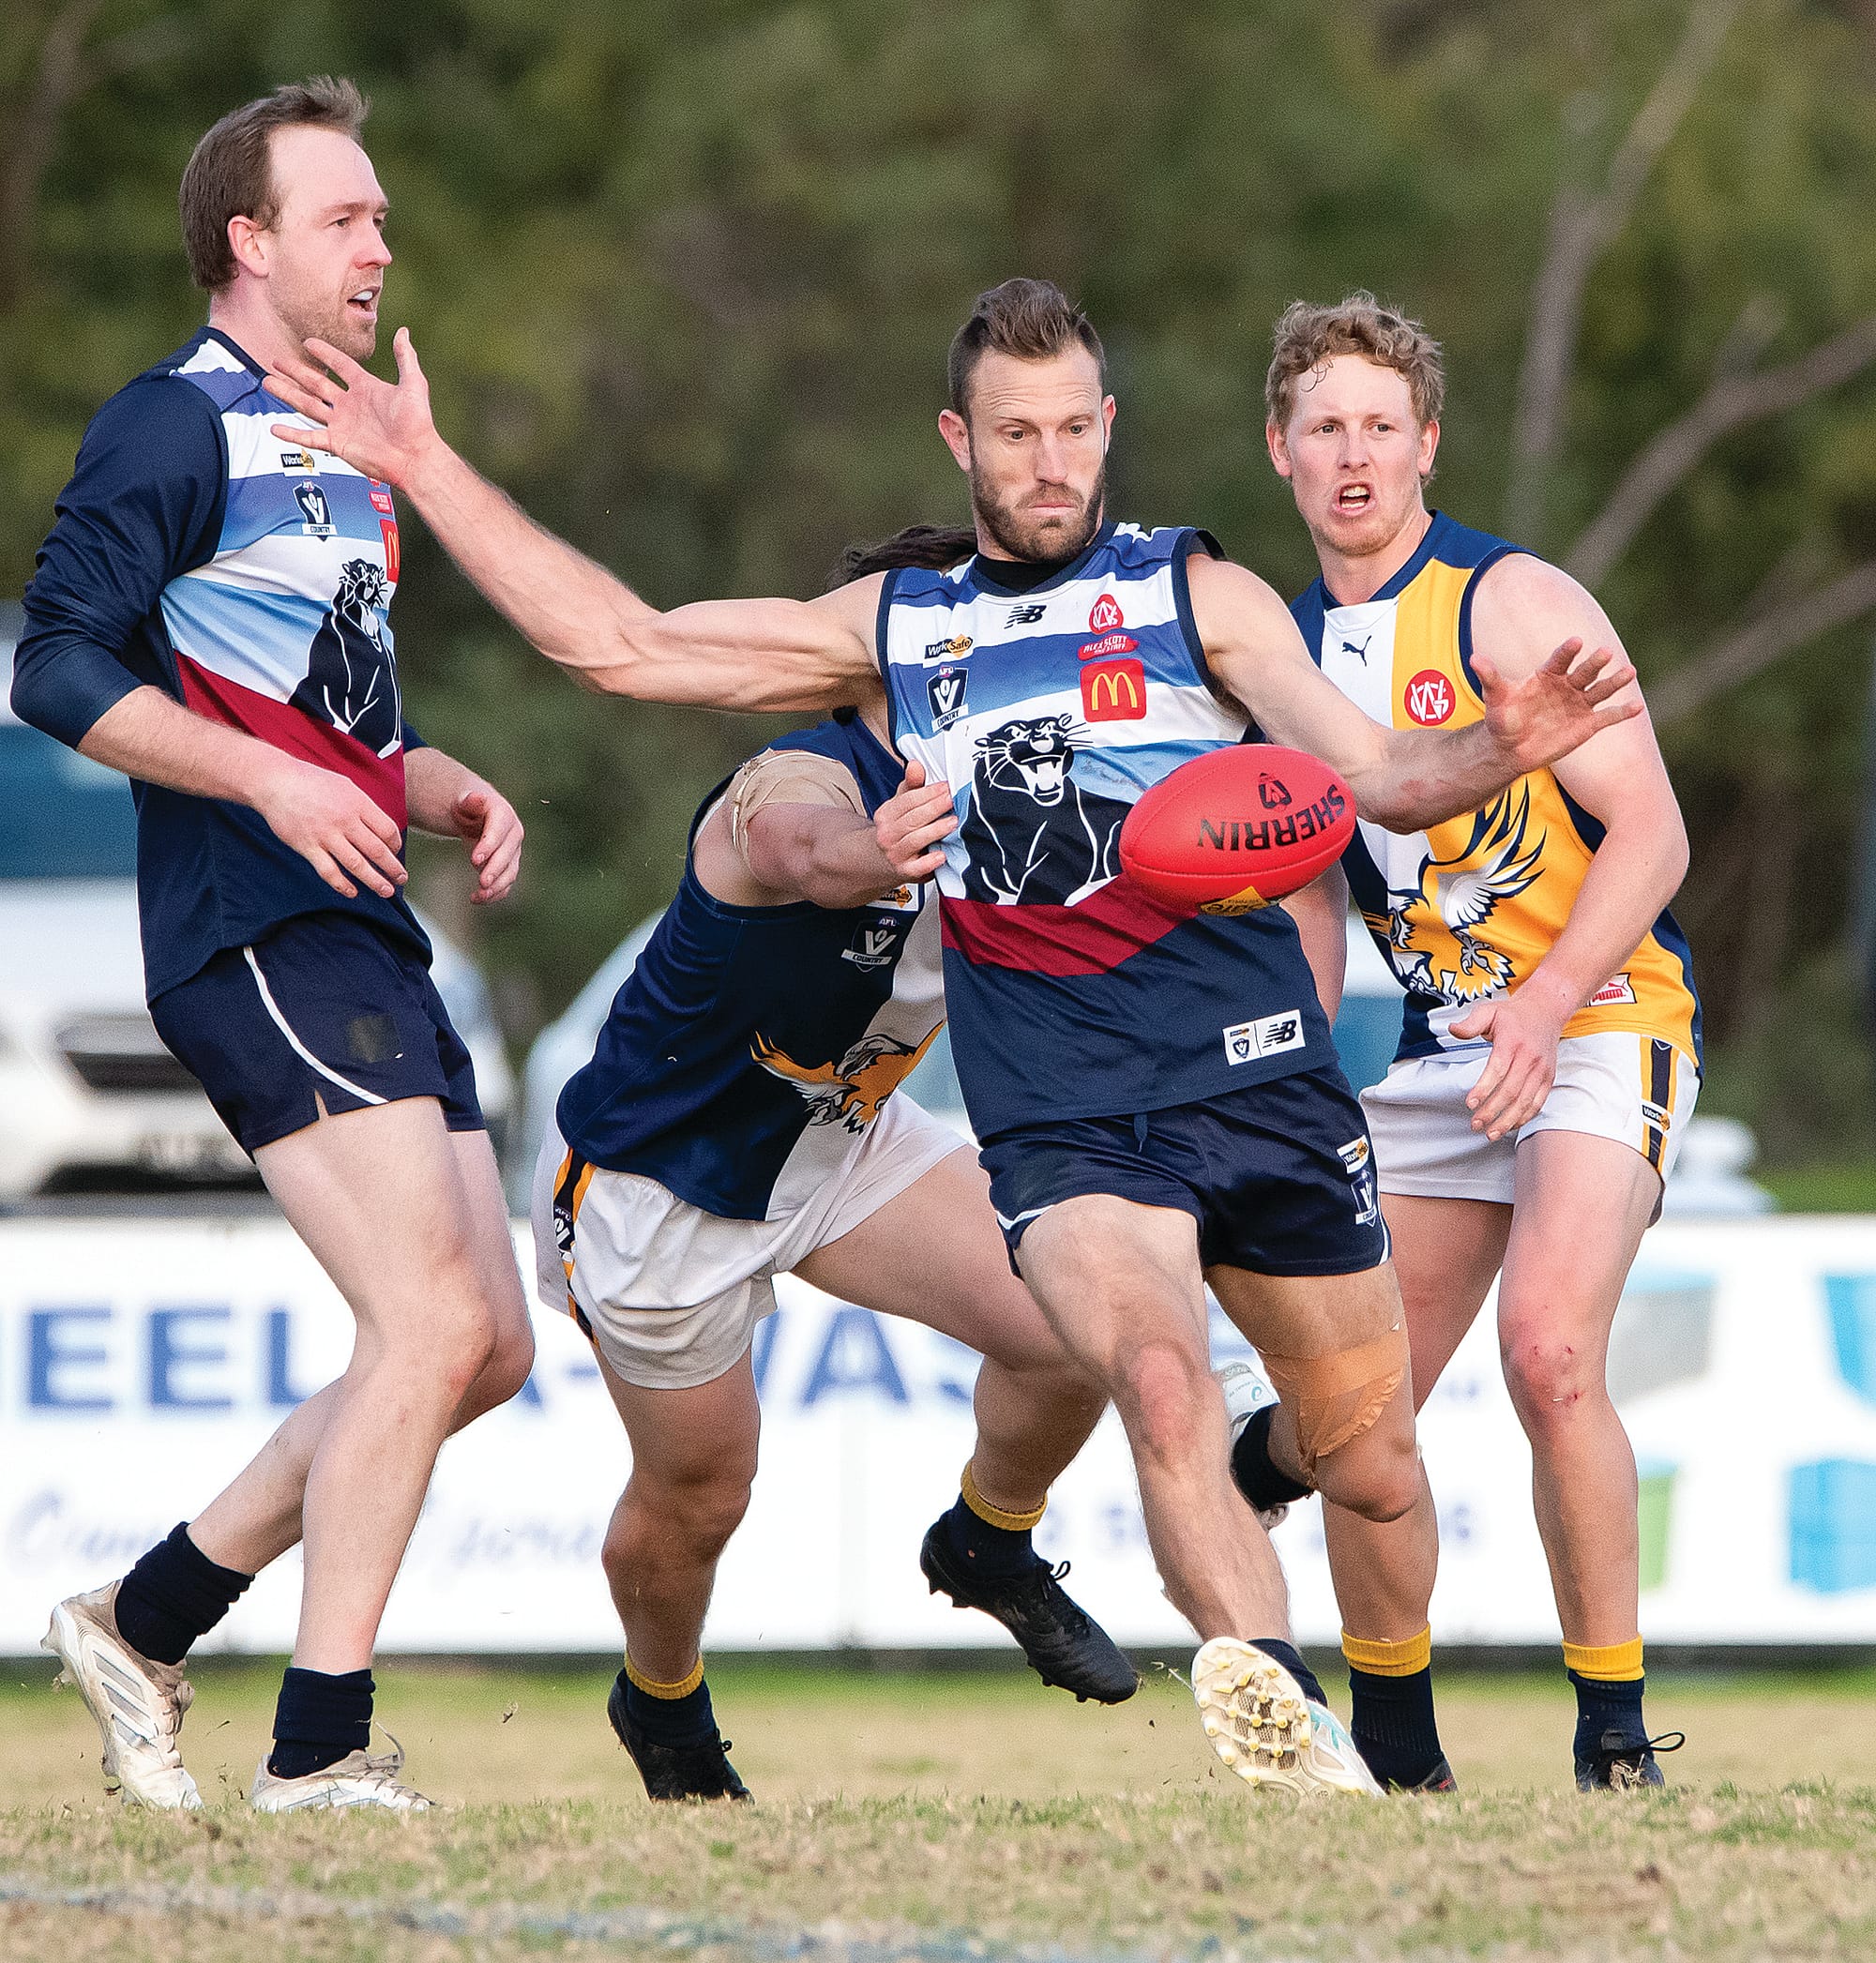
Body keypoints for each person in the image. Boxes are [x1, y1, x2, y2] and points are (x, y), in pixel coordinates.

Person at [264, 277, 1638, 1797]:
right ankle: (1294, 1741)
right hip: (1070, 1113)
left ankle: (1394, 1754)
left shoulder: (1204, 599)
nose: (1048, 463)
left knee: (1368, 1455)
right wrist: (425, 466)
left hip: (1258, 1075)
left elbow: (1377, 774)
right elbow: (628, 645)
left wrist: (1493, 751)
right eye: (1012, 434)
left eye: (1070, 430)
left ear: (1107, 427)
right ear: (957, 443)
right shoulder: (897, 631)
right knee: (1164, 1379)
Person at [11, 79, 533, 1813]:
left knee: (486, 1345)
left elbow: (310, 695)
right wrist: (263, 783)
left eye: (382, 217)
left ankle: (145, 1619)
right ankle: (316, 1750)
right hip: (251, 923)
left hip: (361, 917)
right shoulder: (173, 422)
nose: (383, 246)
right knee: (430, 1310)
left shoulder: (346, 435)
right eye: (345, 218)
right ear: (248, 242)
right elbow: (60, 664)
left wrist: (426, 776)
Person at [538, 521, 1131, 1802]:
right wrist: (881, 849)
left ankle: (989, 1540)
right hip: (663, 1183)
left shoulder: (1025, 778)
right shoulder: (798, 773)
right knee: (702, 1494)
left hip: (841, 1140)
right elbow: (798, 847)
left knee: (1080, 1316)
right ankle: (663, 1700)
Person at [1240, 293, 1698, 1792]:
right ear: (1283, 455)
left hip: (1601, 1008)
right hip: (1442, 1052)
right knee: (1359, 1418)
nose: (1355, 454)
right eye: (1326, 428)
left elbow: (1657, 833)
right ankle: (1400, 1750)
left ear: (1427, 443)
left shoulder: (1513, 602)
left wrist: (1551, 999)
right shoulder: (1280, 662)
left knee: (1550, 1347)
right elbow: (1310, 903)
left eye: (1382, 424)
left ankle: (1615, 1738)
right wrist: (1283, 1076)